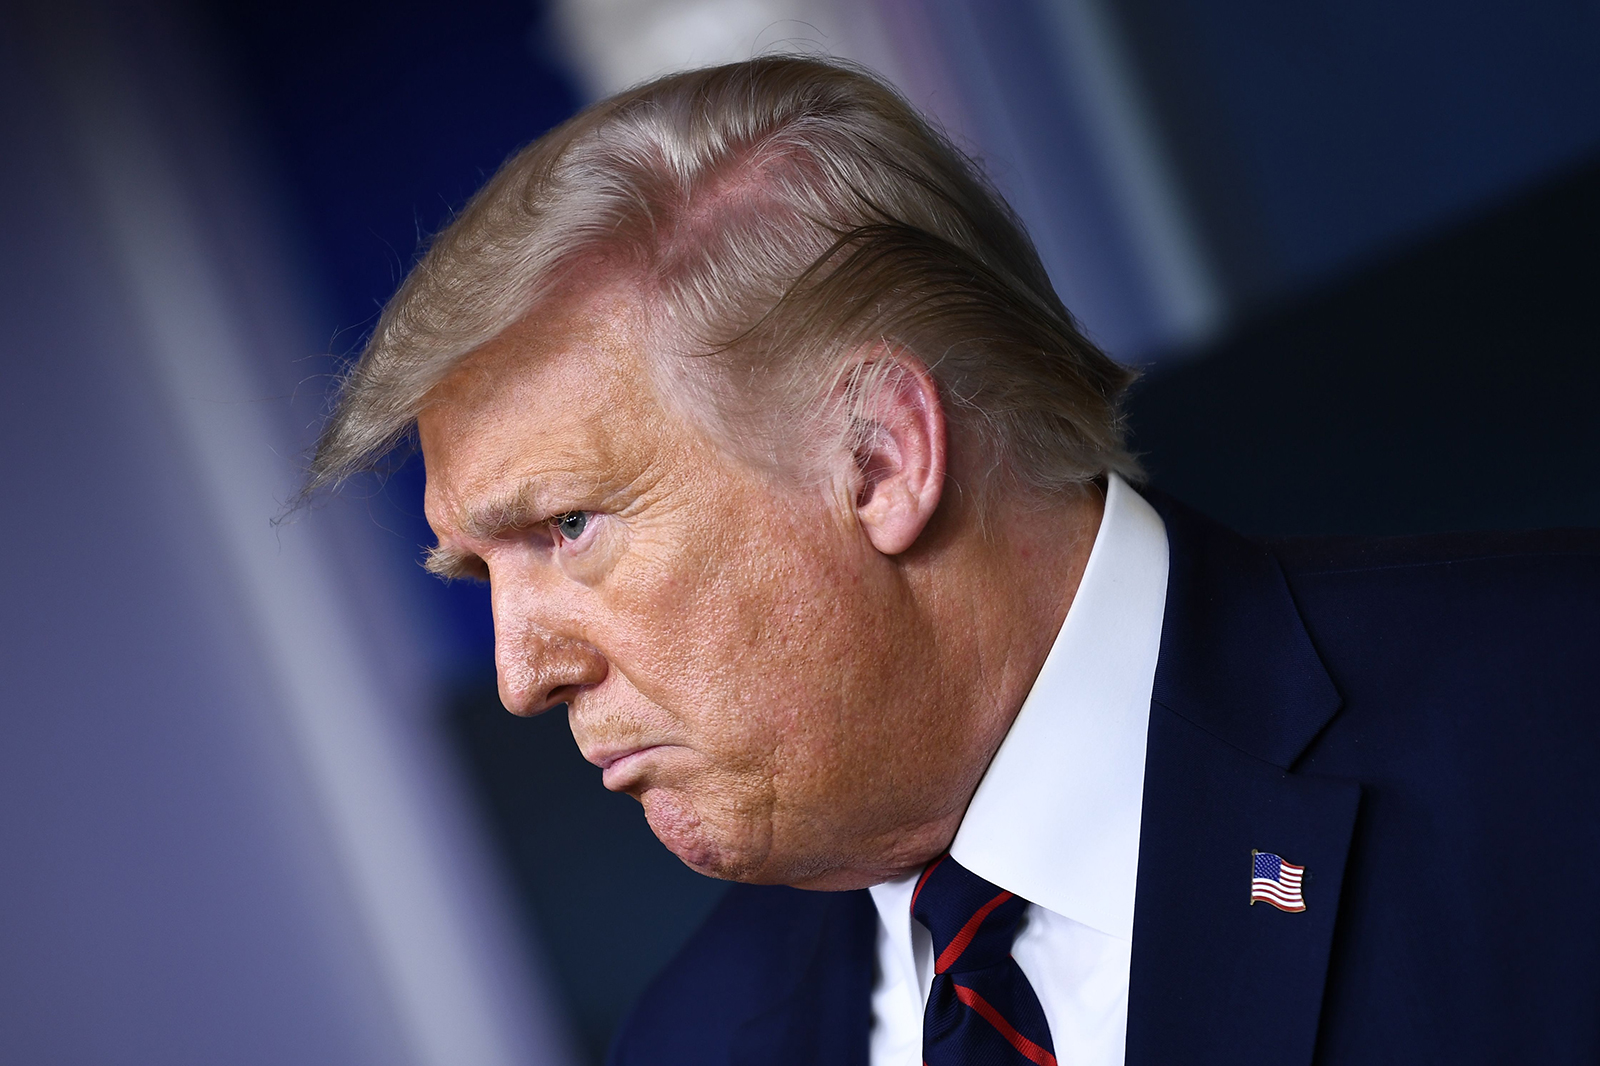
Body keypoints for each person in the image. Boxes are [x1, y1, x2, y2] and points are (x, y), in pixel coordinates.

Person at [305, 58, 1600, 1066]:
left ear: (878, 457)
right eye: (478, 573)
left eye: (566, 526)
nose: (522, 672)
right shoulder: (693, 1040)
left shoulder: (1558, 724)